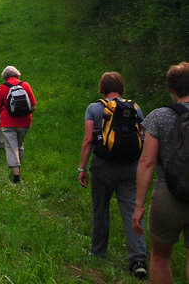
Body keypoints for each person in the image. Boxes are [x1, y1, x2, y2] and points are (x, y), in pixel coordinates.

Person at [78, 72, 147, 279]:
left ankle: (98, 252)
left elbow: (88, 140)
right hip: (131, 167)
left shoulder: (94, 108)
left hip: (103, 167)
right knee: (131, 211)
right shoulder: (135, 108)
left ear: (103, 87)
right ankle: (138, 261)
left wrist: (82, 168)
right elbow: (143, 136)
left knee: (101, 208)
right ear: (121, 87)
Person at [132, 62, 189, 283]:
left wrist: (138, 206)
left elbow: (146, 162)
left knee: (160, 256)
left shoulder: (158, 116)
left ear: (172, 89)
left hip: (168, 195)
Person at [0, 66, 36, 184]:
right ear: (17, 74)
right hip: (24, 123)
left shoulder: (2, 88)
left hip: (8, 123)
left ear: (4, 77)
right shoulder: (26, 85)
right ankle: (18, 169)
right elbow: (33, 106)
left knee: (11, 147)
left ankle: (16, 177)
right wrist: (24, 115)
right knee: (20, 144)